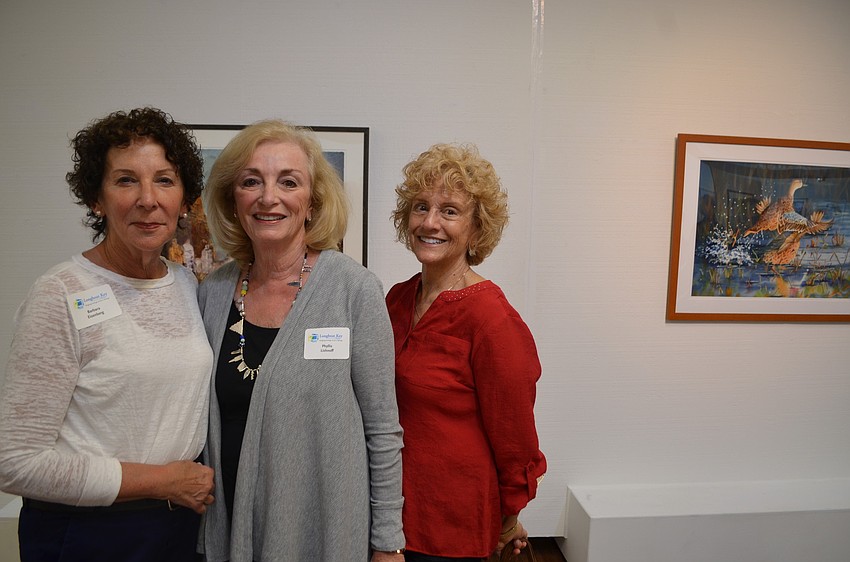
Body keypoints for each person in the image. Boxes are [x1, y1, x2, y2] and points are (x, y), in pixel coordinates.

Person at [0, 107, 215, 561]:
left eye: (164, 180)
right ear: (96, 199)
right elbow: (14, 462)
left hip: (177, 525)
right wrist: (163, 481)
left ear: (184, 198)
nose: (147, 199)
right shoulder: (59, 294)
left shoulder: (183, 283)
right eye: (125, 180)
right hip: (86, 531)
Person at [199, 119, 404, 562]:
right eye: (252, 181)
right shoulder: (213, 293)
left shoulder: (354, 289)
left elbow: (383, 429)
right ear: (233, 201)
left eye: (287, 182)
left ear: (312, 203)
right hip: (228, 524)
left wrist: (388, 542)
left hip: (322, 531)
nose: (268, 196)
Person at [386, 143, 547, 561]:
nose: (430, 222)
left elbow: (517, 443)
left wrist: (508, 520)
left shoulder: (491, 319)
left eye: (450, 210)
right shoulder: (397, 300)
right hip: (390, 518)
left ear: (476, 229)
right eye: (421, 207)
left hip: (451, 530)